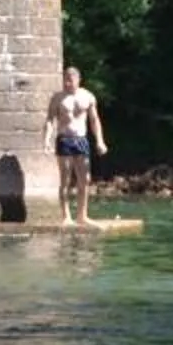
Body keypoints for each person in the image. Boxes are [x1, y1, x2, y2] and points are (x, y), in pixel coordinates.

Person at [47, 65, 108, 226]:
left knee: (85, 179)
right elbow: (50, 120)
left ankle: (82, 215)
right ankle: (66, 216)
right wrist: (47, 139)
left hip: (81, 140)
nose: (67, 83)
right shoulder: (58, 98)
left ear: (78, 80)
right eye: (65, 80)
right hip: (64, 140)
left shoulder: (88, 96)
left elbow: (95, 121)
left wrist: (100, 140)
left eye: (70, 80)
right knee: (65, 179)